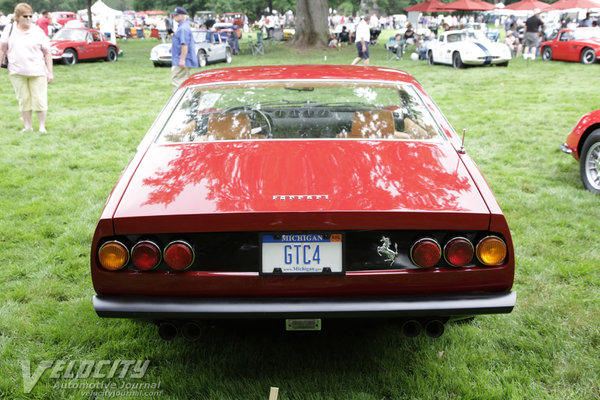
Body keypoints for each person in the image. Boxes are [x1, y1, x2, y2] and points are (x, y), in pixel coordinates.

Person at [0, 3, 53, 133]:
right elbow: (2, 50)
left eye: (30, 16)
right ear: (18, 17)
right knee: (24, 100)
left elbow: (47, 52)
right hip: (17, 71)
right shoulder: (9, 30)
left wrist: (50, 72)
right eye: (25, 16)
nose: (28, 19)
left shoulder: (37, 31)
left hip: (38, 71)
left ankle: (41, 127)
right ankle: (27, 127)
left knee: (39, 99)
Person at [170, 6, 197, 92]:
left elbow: (184, 45)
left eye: (176, 15)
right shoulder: (183, 27)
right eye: (174, 15)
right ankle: (189, 101)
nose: (174, 17)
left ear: (182, 16)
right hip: (181, 59)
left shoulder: (183, 28)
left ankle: (180, 103)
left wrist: (182, 60)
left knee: (178, 82)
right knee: (185, 81)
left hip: (180, 60)